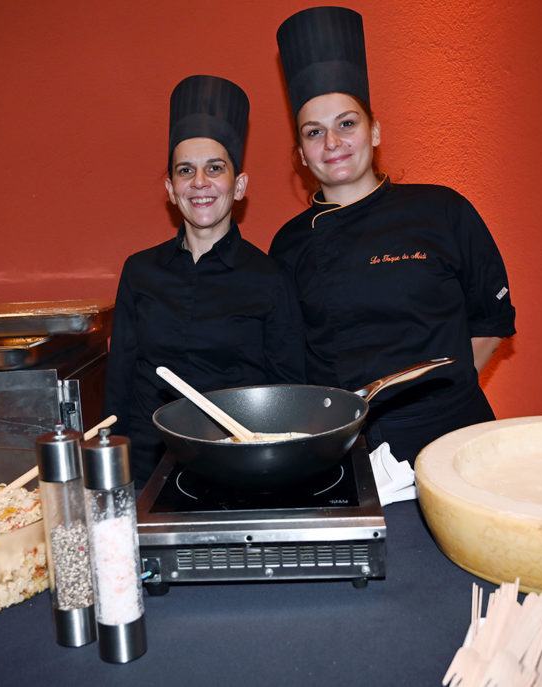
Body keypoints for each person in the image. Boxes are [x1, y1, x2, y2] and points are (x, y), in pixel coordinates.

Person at [271, 7, 516, 465]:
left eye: (347, 123)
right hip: (344, 447)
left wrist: (448, 395)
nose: (333, 142)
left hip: (452, 438)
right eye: (314, 132)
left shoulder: (441, 208)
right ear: (302, 155)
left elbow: (491, 319)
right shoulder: (288, 243)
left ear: (375, 130)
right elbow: (291, 358)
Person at [103, 74, 305, 486]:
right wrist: (115, 471)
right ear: (170, 188)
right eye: (185, 171)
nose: (200, 182)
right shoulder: (140, 270)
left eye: (215, 168)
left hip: (237, 464)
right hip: (148, 469)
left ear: (239, 184)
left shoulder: (270, 277)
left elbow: (288, 392)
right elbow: (119, 383)